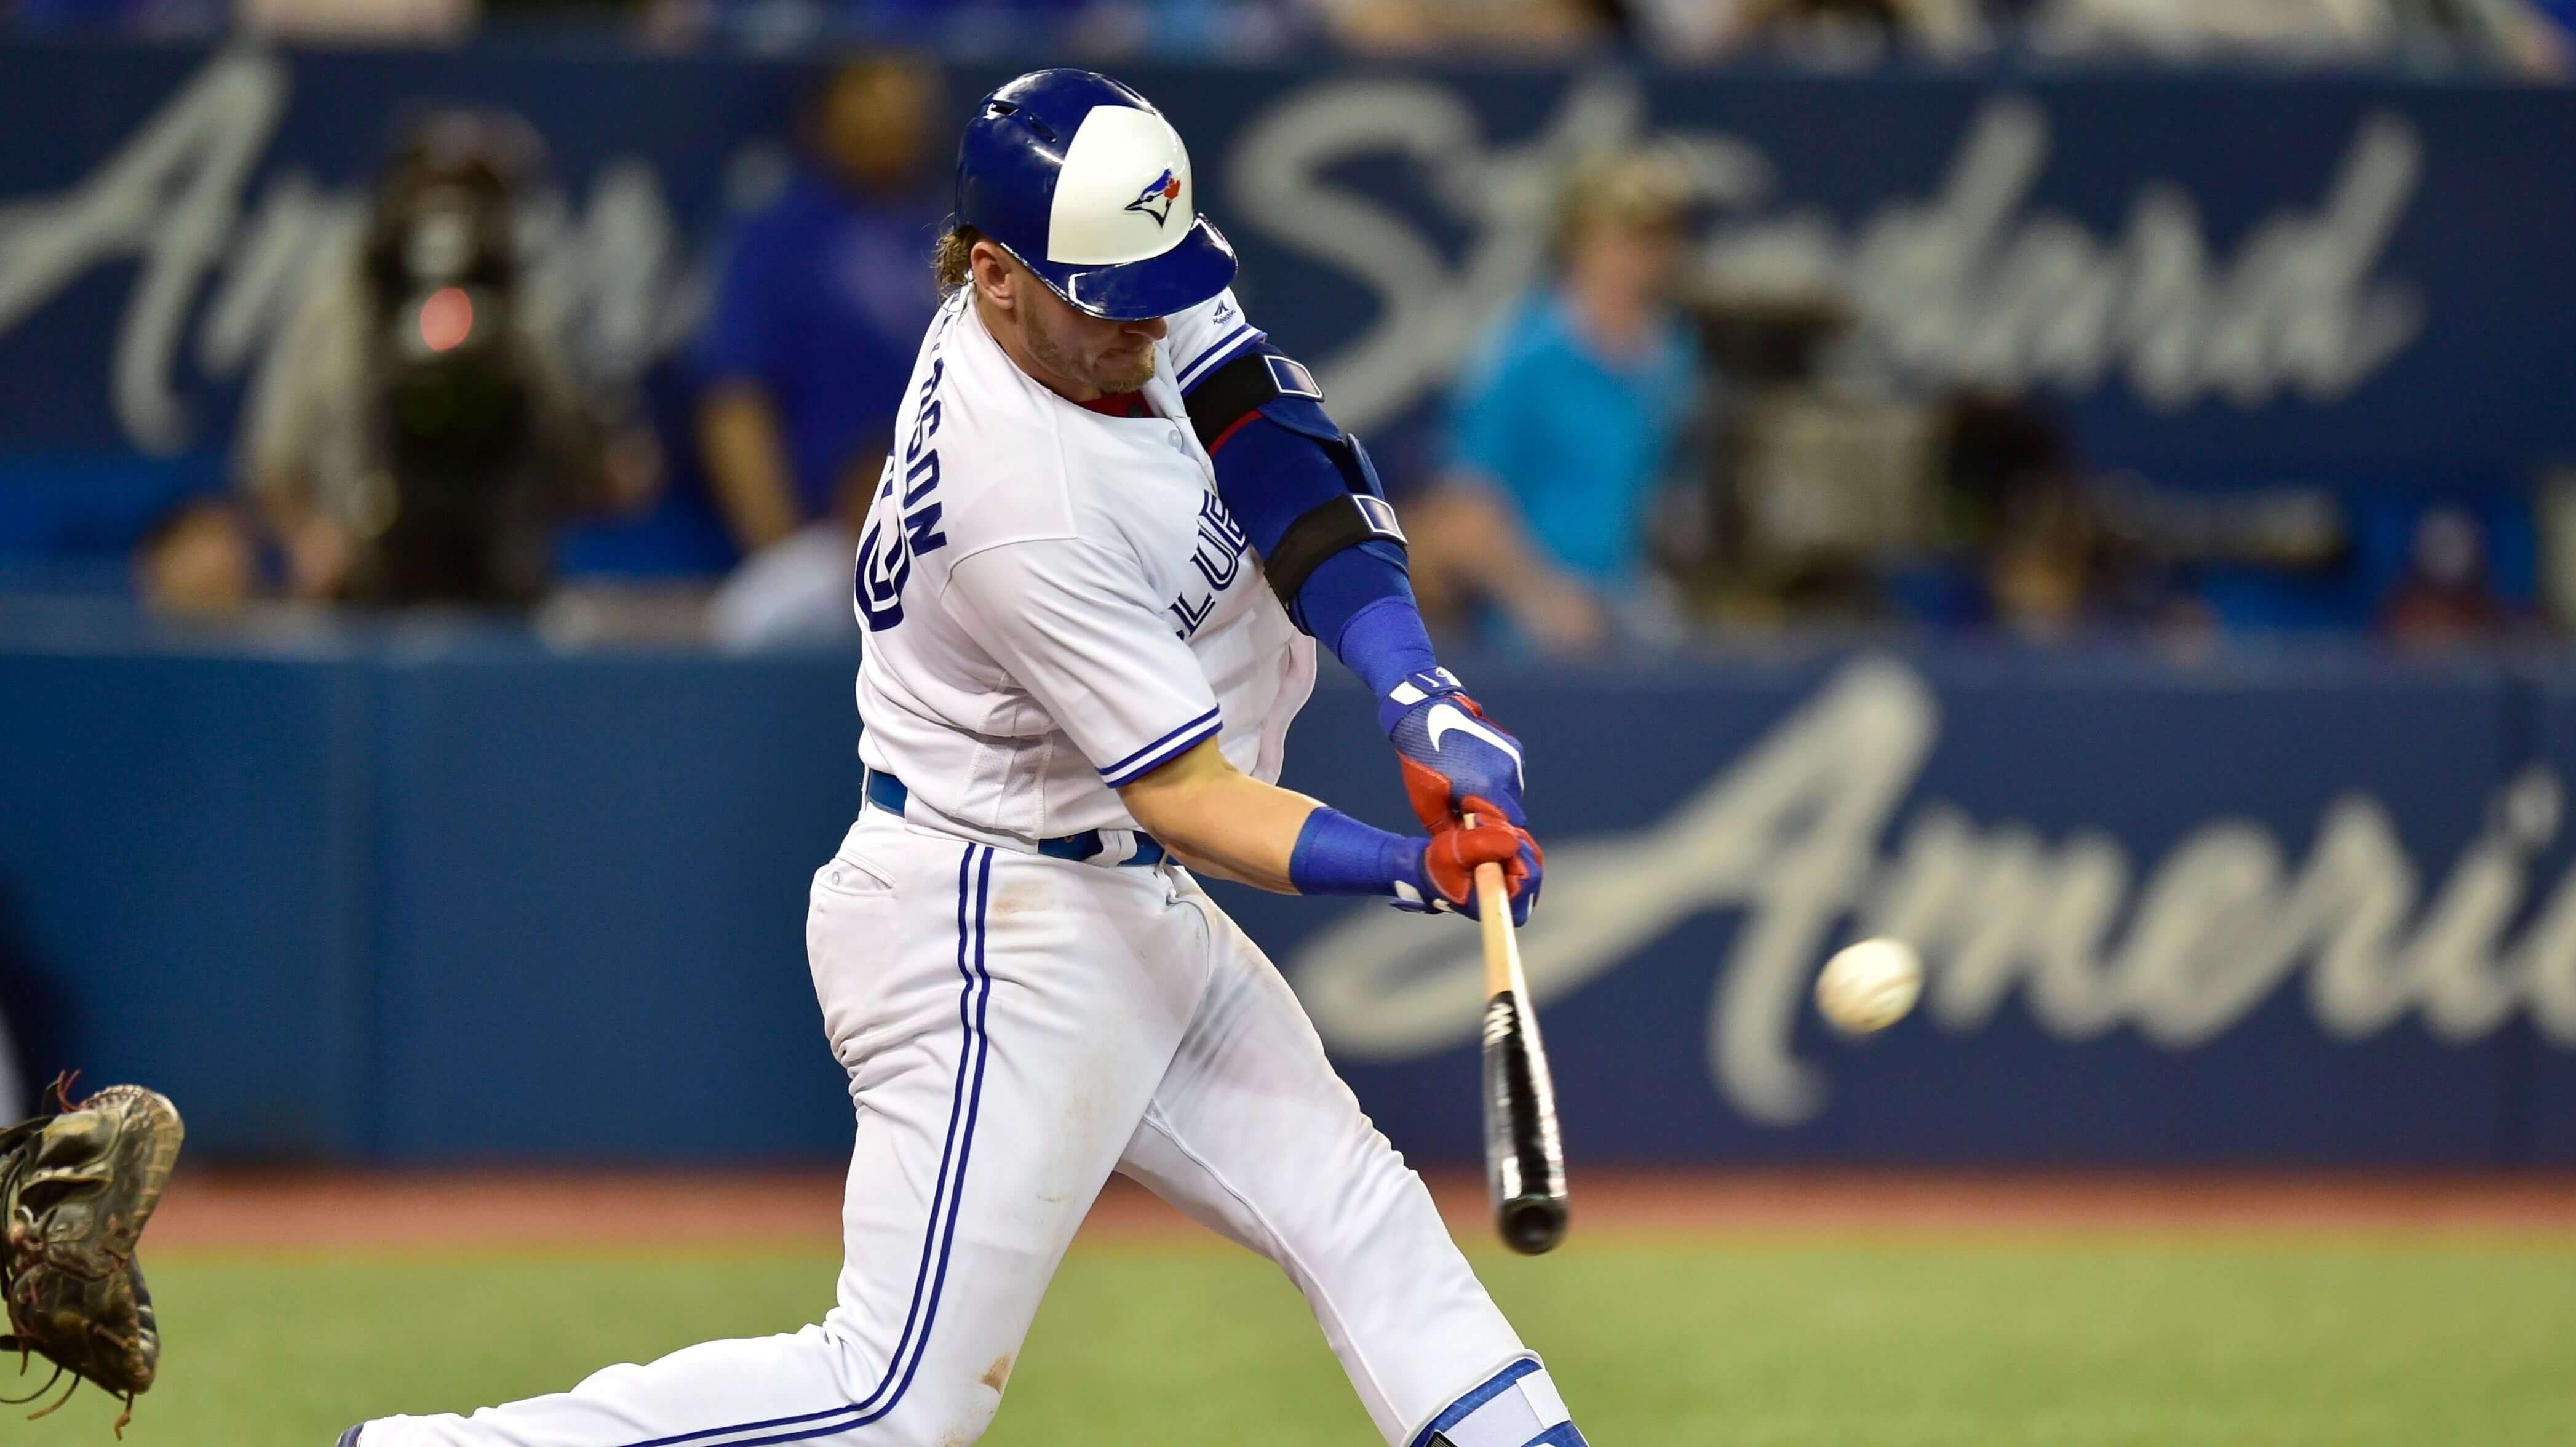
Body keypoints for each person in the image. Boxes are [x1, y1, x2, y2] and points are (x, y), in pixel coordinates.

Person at [337, 70, 1589, 1447]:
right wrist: (1410, 867)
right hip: (994, 917)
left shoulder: (1093, 271)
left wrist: (1417, 689)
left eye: (1162, 287)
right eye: (1113, 305)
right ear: (993, 278)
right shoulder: (1018, 496)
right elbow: (1186, 801)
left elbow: (1273, 438)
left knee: (1365, 1227)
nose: (1149, 325)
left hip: (1109, 898)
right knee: (891, 1400)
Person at [239, 111, 648, 609]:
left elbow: (593, 464)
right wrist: (314, 538)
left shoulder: (535, 319)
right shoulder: (334, 313)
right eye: (432, 187)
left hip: (502, 586)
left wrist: (608, 467)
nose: (450, 213)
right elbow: (273, 465)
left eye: (474, 192)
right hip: (364, 585)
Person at [1407, 147, 1701, 655]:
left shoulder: (1674, 353)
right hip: (1530, 636)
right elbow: (1466, 505)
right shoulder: (1521, 354)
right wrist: (1542, 599)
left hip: (1634, 619)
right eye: (1617, 241)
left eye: (1650, 242)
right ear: (1578, 245)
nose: (1633, 261)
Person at [698, 53, 948, 561]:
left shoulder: (957, 229)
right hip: (825, 548)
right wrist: (783, 555)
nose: (890, 110)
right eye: (868, 90)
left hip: (962, 537)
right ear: (825, 113)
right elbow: (733, 409)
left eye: (902, 89)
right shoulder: (777, 239)